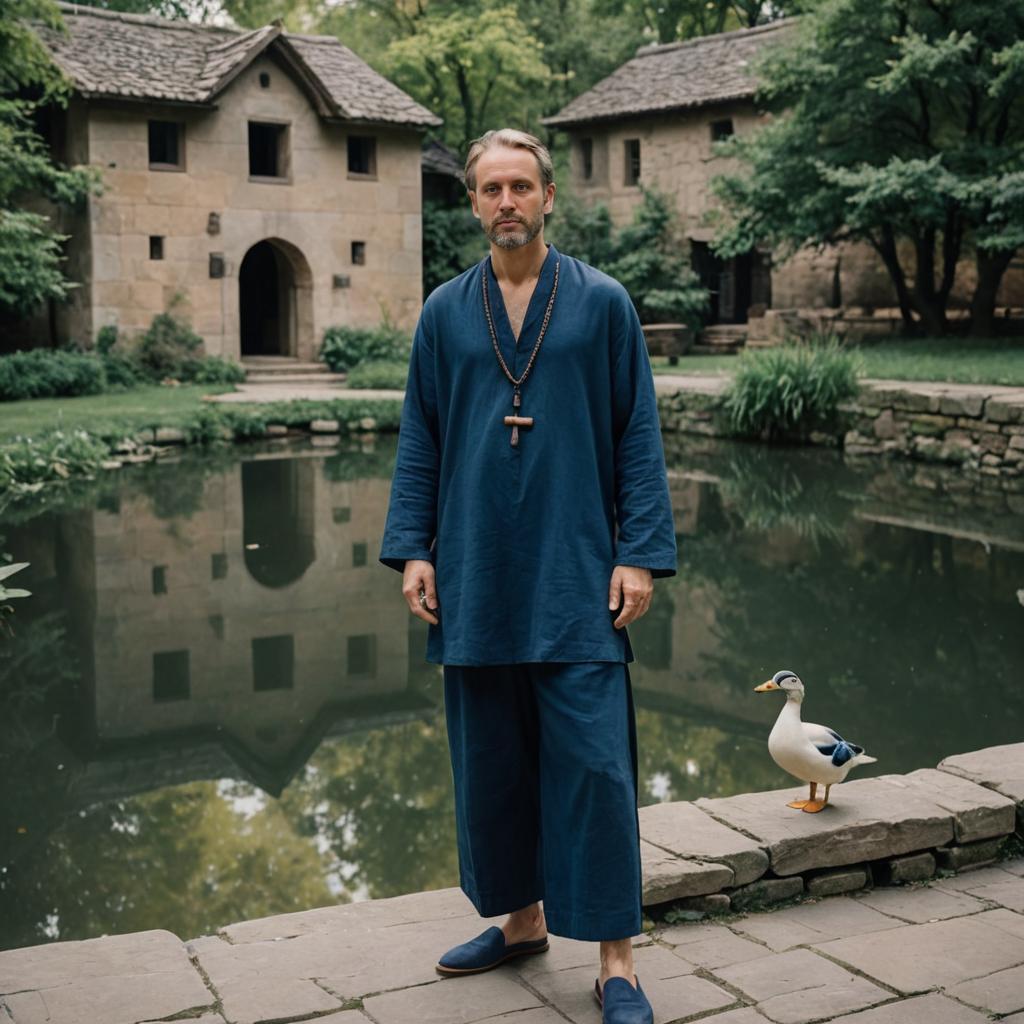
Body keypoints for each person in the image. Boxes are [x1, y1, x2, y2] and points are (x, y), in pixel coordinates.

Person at [379, 127, 676, 1024]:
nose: (506, 202)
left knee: (594, 767)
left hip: (578, 571)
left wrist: (639, 554)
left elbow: (637, 435)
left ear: (550, 197)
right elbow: (421, 437)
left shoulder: (602, 304)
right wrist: (416, 548)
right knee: (494, 763)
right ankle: (519, 922)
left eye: (521, 186)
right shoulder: (442, 312)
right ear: (471, 203)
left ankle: (616, 962)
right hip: (474, 570)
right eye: (490, 189)